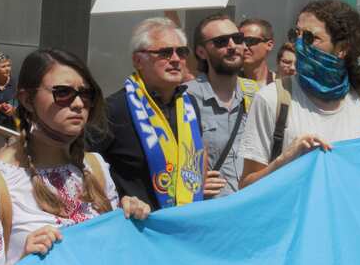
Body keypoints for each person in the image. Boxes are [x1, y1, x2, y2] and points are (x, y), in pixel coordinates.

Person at [0, 49, 149, 265]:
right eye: (62, 93)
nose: (77, 103)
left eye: (85, 93)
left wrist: (129, 221)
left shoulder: (95, 167)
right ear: (27, 100)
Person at [239, 0, 360, 189]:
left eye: (311, 38)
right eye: (295, 35)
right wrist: (286, 159)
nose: (299, 45)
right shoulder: (272, 99)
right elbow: (246, 186)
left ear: (342, 48)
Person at [88, 18, 206, 210]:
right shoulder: (114, 108)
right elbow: (85, 164)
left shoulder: (189, 105)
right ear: (138, 61)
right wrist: (115, 203)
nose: (176, 59)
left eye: (182, 52)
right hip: (136, 228)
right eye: (165, 53)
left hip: (184, 224)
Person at [186, 14, 259, 198]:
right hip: (211, 215)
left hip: (253, 208)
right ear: (201, 52)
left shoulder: (257, 94)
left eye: (238, 39)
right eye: (221, 41)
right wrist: (192, 183)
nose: (232, 46)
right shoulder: (185, 98)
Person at [238, 18, 276, 85]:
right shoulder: (228, 84)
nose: (244, 46)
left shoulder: (281, 86)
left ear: (269, 45)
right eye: (239, 41)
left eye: (250, 41)